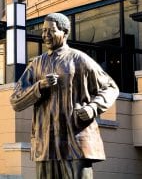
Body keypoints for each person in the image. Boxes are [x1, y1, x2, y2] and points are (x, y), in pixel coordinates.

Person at [10, 13, 119, 179]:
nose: (45, 35)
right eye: (44, 31)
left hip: (75, 138)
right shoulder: (37, 64)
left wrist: (93, 108)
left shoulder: (79, 59)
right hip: (46, 142)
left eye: (51, 31)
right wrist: (39, 86)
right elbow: (16, 100)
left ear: (64, 32)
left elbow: (110, 87)